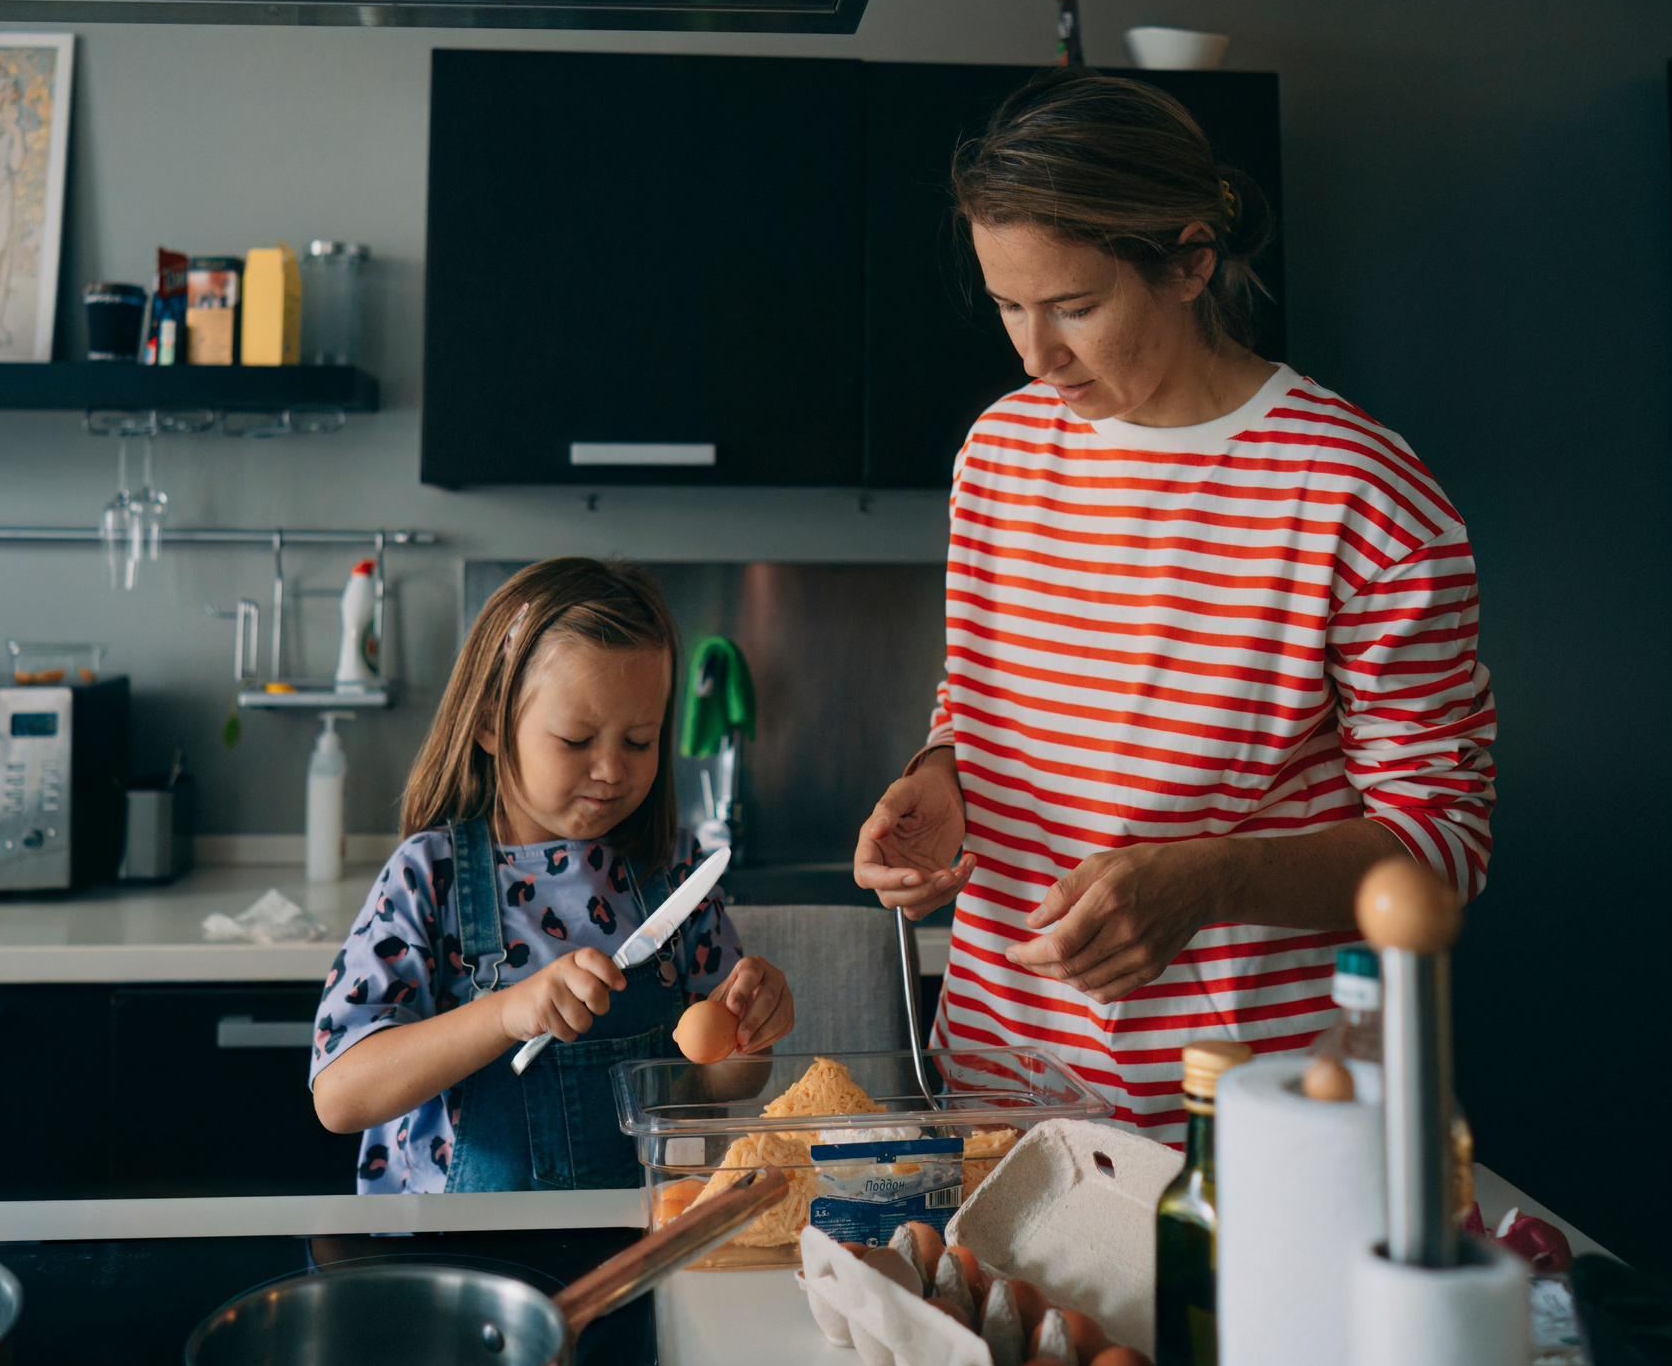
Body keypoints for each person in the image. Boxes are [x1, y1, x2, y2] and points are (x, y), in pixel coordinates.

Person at [853, 71, 1497, 1139]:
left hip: (1254, 1113)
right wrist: (941, 778)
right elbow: (982, 697)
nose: (1034, 356)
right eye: (1009, 305)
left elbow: (1442, 846)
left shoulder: (1361, 495)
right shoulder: (1002, 454)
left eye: (1075, 307)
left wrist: (1208, 882)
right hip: (999, 1087)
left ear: (1192, 260)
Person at [311, 557, 795, 1191]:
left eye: (640, 741)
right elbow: (341, 1095)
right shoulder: (430, 879)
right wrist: (506, 1015)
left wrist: (748, 1036)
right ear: (489, 721)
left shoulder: (673, 873)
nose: (612, 770)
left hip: (634, 1242)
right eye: (575, 740)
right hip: (466, 1259)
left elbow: (715, 1082)